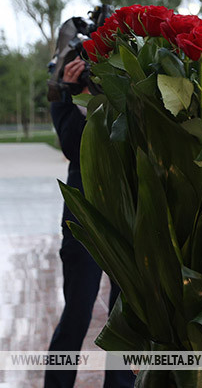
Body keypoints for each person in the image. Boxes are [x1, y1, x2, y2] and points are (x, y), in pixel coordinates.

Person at [46, 57, 135, 388]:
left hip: (124, 214)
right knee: (77, 310)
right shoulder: (62, 97)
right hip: (82, 218)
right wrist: (79, 96)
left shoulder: (122, 96)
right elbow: (73, 148)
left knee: (122, 315)